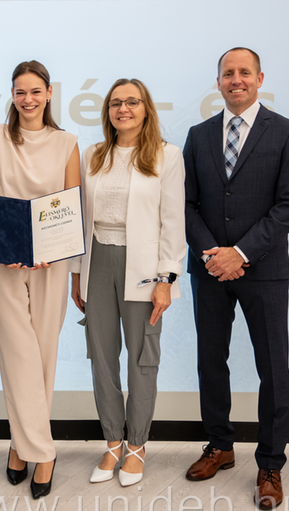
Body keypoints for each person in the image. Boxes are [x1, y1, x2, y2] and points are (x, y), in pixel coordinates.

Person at [183, 47, 289, 510]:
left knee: (273, 367)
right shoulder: (198, 135)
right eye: (228, 73)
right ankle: (220, 445)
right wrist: (213, 254)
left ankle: (270, 464)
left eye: (244, 73)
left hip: (264, 270)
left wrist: (241, 253)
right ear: (218, 81)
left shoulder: (287, 132)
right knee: (210, 361)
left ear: (259, 79)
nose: (236, 79)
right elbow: (185, 203)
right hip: (209, 268)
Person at [69, 79, 185, 487]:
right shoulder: (93, 155)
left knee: (142, 360)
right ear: (108, 112)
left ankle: (136, 446)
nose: (124, 108)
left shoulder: (167, 156)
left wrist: (166, 279)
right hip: (97, 261)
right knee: (102, 359)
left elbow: (173, 222)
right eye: (116, 102)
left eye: (132, 101)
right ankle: (112, 443)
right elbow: (79, 218)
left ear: (146, 108)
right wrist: (77, 274)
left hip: (145, 268)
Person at [0, 60, 81, 499]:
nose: (28, 99)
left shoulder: (67, 143)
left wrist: (48, 251)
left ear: (49, 93)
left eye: (36, 91)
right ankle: (43, 450)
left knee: (43, 354)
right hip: (5, 261)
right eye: (20, 91)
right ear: (12, 95)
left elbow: (71, 206)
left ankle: (21, 445)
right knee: (17, 352)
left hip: (52, 263)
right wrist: (11, 247)